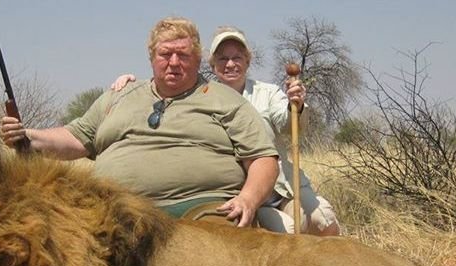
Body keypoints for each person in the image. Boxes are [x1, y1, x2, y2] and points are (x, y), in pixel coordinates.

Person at [0, 18, 279, 227]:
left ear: (197, 60)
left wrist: (248, 199)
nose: (173, 62)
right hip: (115, 211)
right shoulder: (118, 95)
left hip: (203, 210)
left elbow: (263, 159)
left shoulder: (226, 99)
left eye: (183, 55)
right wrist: (28, 136)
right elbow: (76, 138)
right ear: (151, 58)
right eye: (165, 54)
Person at [111, 26, 341, 236]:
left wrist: (296, 105)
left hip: (284, 186)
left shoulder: (268, 92)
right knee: (288, 232)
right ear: (212, 65)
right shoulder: (204, 96)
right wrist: (129, 84)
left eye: (237, 57)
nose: (230, 64)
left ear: (247, 61)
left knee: (323, 220)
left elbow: (290, 125)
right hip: (246, 193)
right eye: (222, 59)